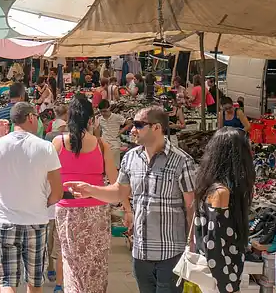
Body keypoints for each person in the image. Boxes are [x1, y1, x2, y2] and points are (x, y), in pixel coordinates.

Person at [65, 106, 196, 293]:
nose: (132, 129)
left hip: (171, 253)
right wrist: (91, 190)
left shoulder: (182, 161)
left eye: (138, 125)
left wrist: (193, 245)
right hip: (140, 253)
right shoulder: (131, 157)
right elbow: (119, 192)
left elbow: (191, 205)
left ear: (157, 128)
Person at [0, 102, 62, 293]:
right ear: (31, 117)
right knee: (34, 282)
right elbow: (57, 192)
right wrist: (44, 203)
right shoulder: (46, 148)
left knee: (7, 282)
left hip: (5, 221)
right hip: (35, 220)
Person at [52, 96, 118, 293]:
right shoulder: (101, 144)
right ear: (91, 119)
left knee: (70, 261)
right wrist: (128, 210)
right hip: (96, 210)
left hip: (66, 211)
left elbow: (47, 178)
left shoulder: (58, 142)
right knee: (96, 264)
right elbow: (116, 184)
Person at [193, 127, 254, 293]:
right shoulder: (222, 193)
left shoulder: (208, 185)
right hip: (220, 279)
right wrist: (227, 287)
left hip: (212, 276)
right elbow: (214, 245)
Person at [97, 100, 131, 168]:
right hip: (104, 143)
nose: (103, 113)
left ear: (109, 108)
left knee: (115, 166)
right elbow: (98, 131)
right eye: (101, 112)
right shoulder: (99, 119)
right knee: (104, 165)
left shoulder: (116, 117)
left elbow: (129, 123)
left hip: (115, 143)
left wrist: (121, 131)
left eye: (105, 111)